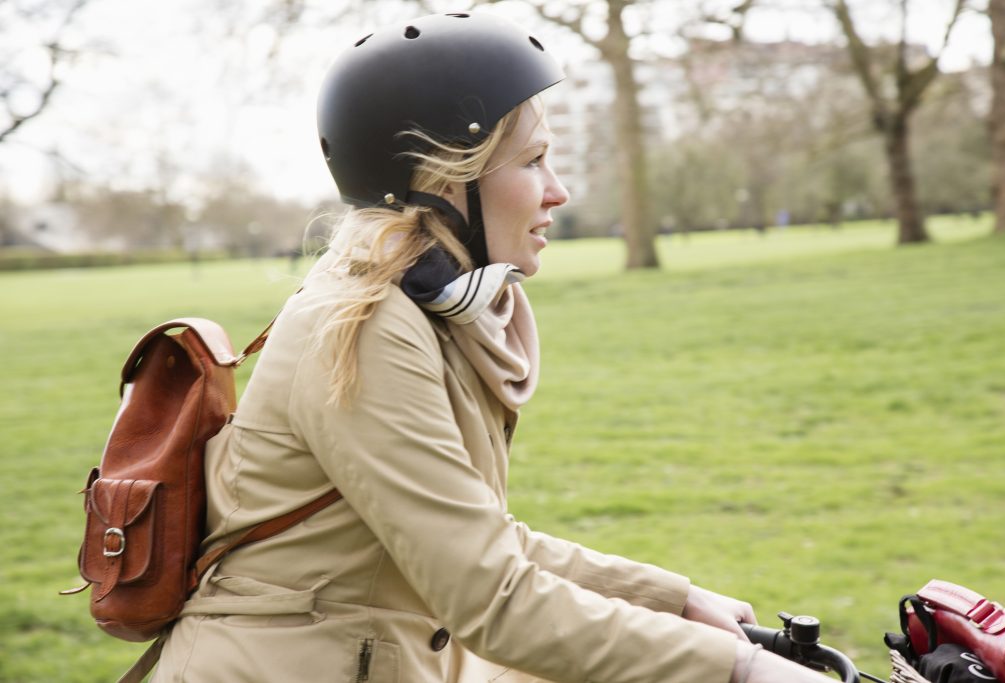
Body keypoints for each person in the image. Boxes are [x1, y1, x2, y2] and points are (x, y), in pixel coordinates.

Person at [151, 13, 833, 683]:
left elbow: (482, 539)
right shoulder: (362, 325)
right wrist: (740, 669)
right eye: (534, 161)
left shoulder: (427, 312)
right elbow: (492, 600)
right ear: (447, 178)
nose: (558, 191)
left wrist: (673, 599)